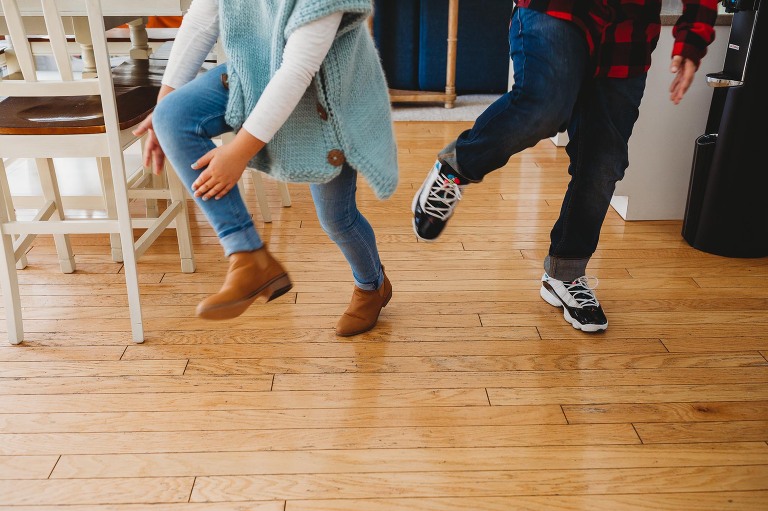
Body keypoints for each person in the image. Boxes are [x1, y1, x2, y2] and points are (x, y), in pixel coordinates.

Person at [412, 0, 719, 332]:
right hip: (557, 8)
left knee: (604, 161)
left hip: (628, 28)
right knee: (545, 105)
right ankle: (456, 167)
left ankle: (566, 273)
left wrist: (693, 37)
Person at [133, 0, 398, 336]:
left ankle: (372, 285)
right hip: (256, 71)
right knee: (172, 115)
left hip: (330, 95)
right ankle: (247, 255)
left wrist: (238, 153)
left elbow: (298, 69)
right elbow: (201, 20)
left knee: (336, 219)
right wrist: (162, 111)